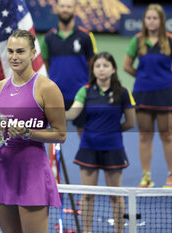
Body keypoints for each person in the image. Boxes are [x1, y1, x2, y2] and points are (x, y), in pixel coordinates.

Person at [0, 29, 66, 233]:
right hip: (2, 171)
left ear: (33, 53)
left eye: (20, 51)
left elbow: (60, 134)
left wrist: (28, 133)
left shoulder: (48, 88)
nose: (14, 57)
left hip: (32, 173)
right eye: (10, 51)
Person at [67, 52, 136, 233]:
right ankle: (87, 231)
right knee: (88, 195)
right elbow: (73, 113)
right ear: (93, 70)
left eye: (106, 65)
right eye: (98, 66)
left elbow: (131, 122)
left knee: (116, 195)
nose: (102, 69)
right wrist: (55, 112)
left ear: (113, 69)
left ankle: (119, 231)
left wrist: (110, 131)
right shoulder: (85, 90)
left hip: (113, 150)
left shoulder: (123, 92)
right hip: (88, 148)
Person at [123, 3, 172, 188]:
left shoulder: (169, 40)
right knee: (144, 135)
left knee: (167, 135)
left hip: (165, 94)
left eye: (155, 18)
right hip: (142, 94)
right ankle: (146, 177)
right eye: (148, 18)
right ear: (144, 20)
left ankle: (171, 176)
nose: (151, 21)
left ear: (161, 20)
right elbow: (126, 65)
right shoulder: (137, 40)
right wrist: (143, 77)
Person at [40, 0, 97, 136]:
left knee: (84, 133)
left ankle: (85, 158)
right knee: (54, 134)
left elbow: (93, 65)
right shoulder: (48, 38)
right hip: (55, 96)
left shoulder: (86, 36)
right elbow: (44, 67)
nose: (65, 9)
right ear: (57, 9)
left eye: (69, 7)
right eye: (62, 6)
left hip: (81, 95)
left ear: (74, 10)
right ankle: (55, 159)